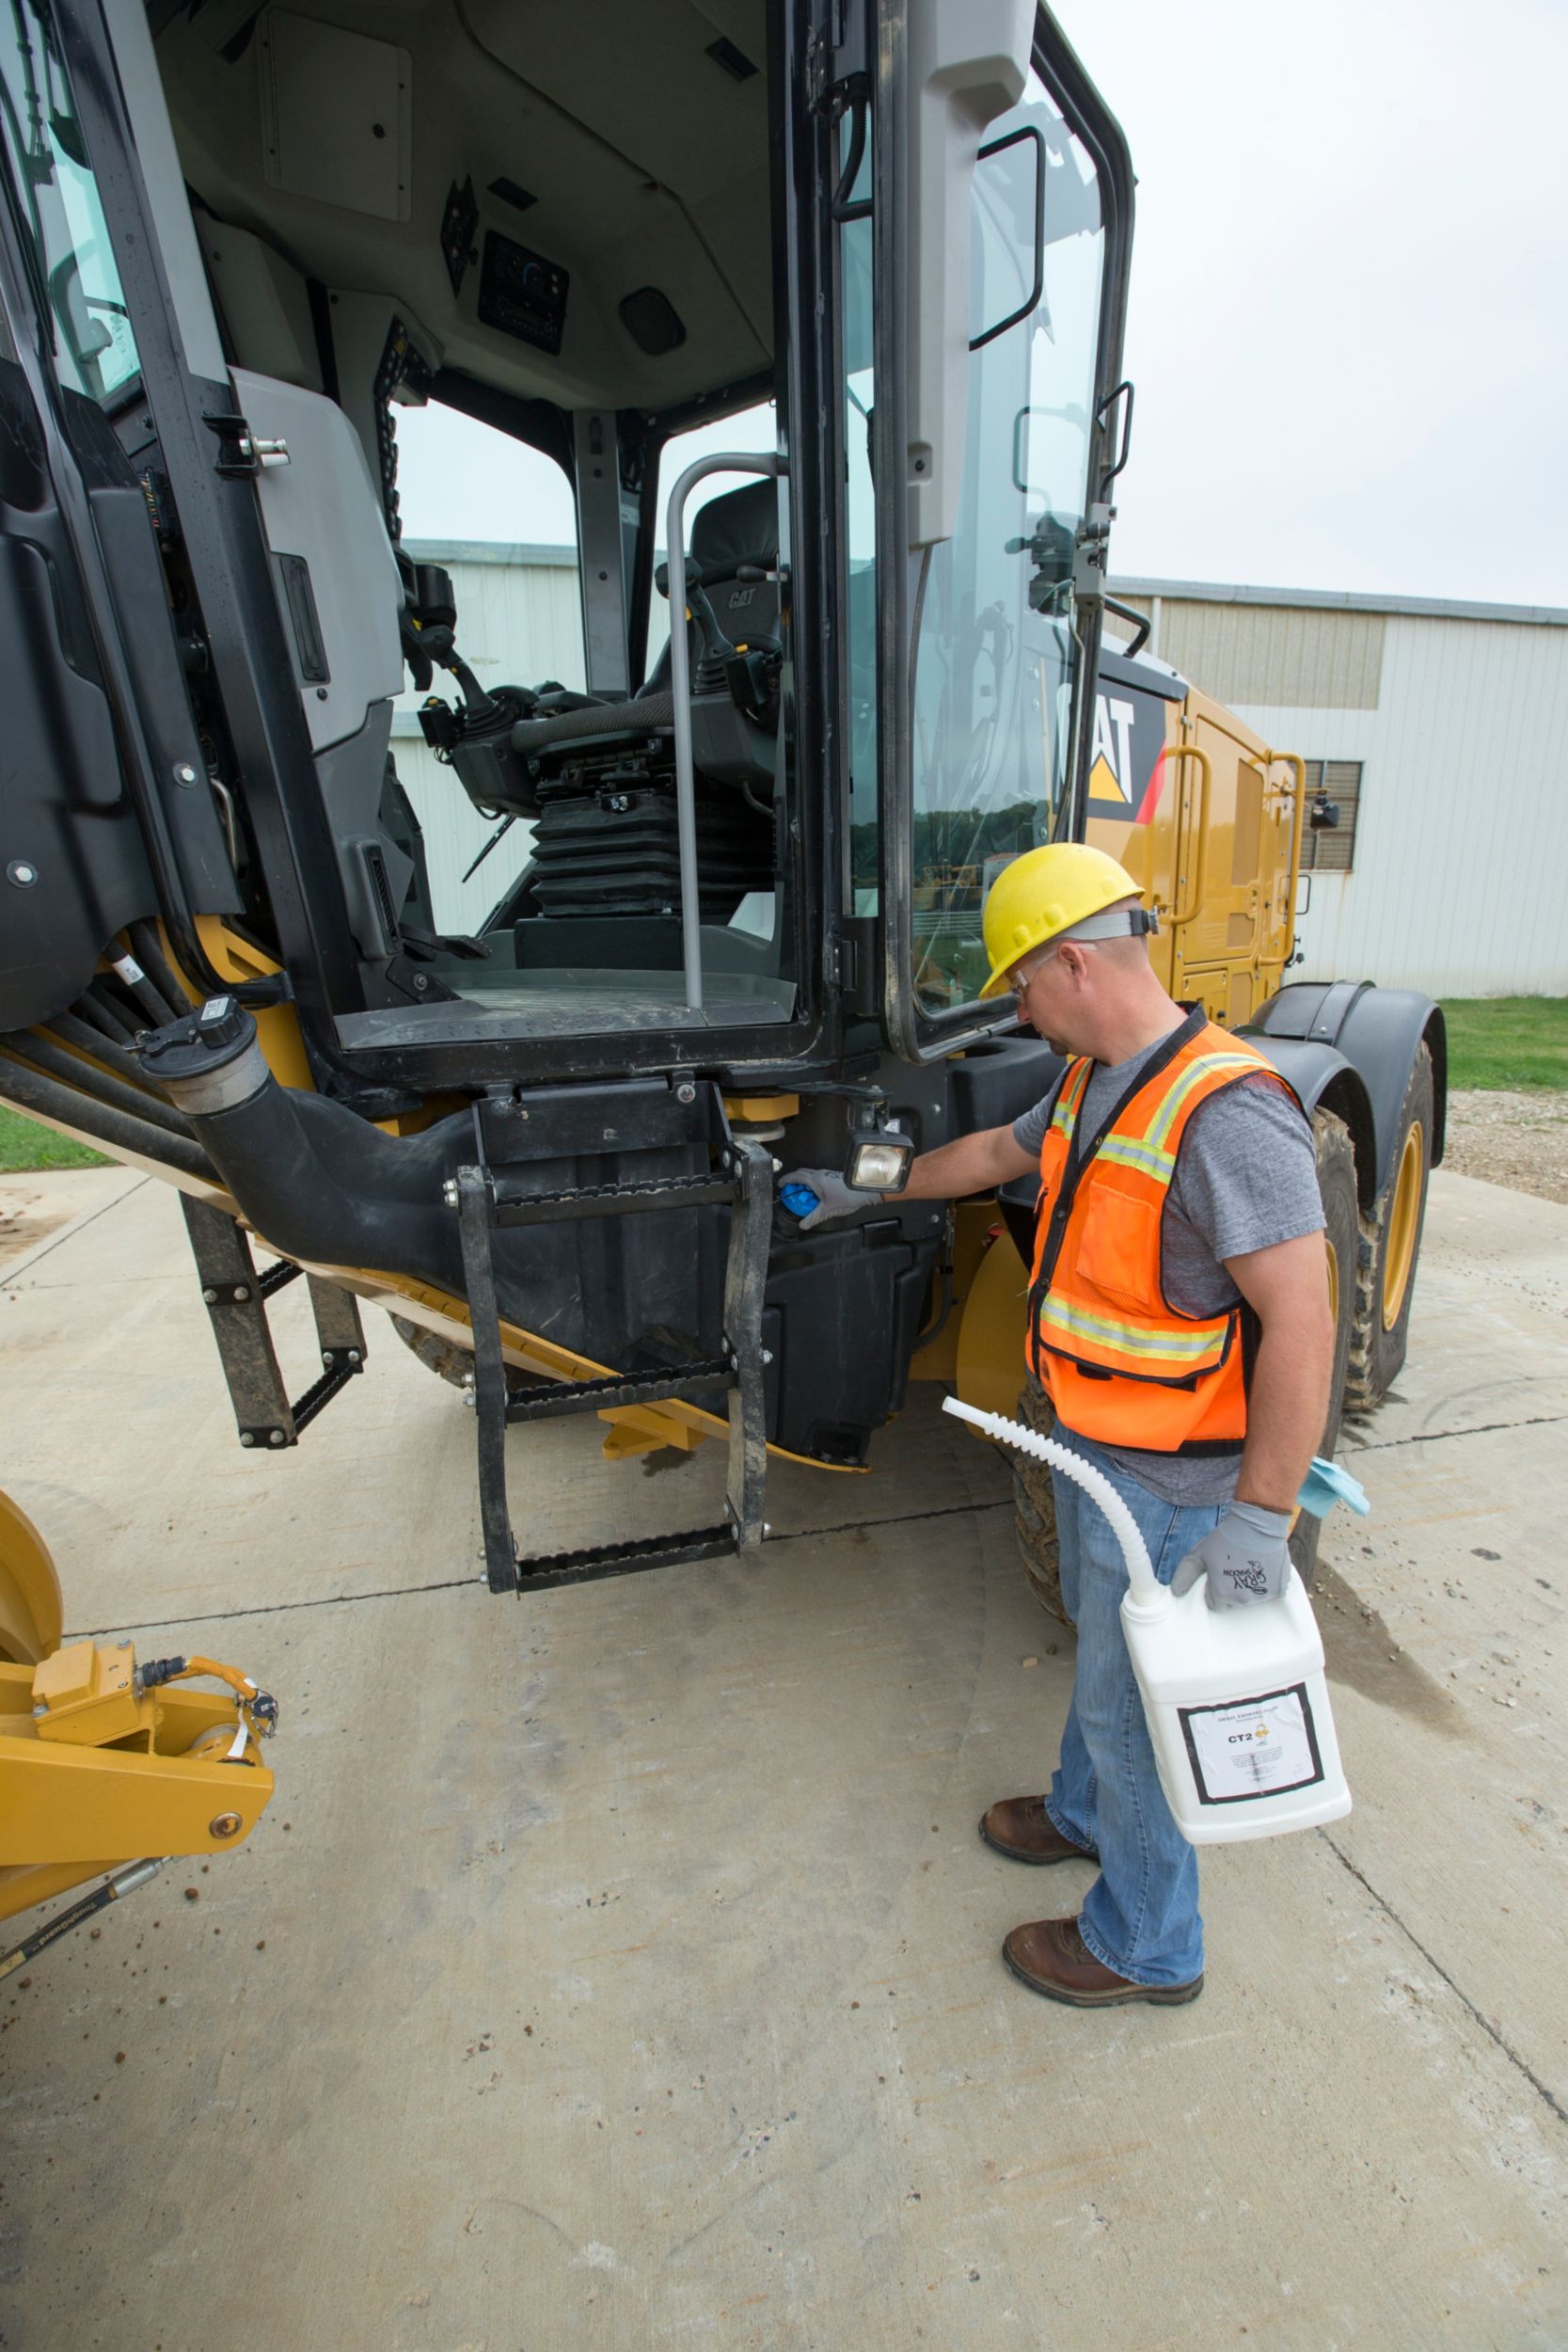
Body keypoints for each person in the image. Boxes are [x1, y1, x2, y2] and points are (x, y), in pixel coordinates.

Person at [785, 844, 1333, 2008]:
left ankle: (1147, 1945)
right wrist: (869, 1188)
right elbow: (998, 1154)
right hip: (1094, 1443)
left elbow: (1302, 1324)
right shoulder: (1097, 1077)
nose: (1017, 1012)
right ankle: (1086, 1813)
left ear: (1072, 962)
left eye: (1019, 988)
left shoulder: (1224, 1110)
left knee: (1137, 1711)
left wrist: (1261, 1522)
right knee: (1106, 1672)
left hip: (1176, 1481)